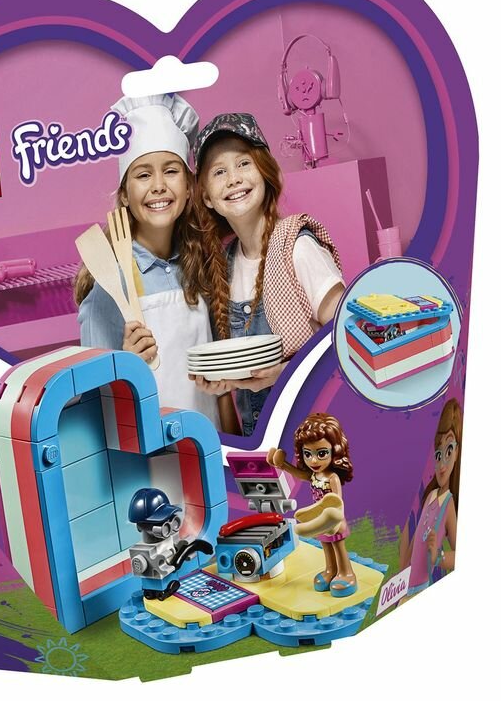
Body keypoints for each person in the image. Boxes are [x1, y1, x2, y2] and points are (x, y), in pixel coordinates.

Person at [75, 94, 236, 430]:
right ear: (124, 193)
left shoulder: (201, 264)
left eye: (171, 171)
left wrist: (235, 449)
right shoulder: (109, 284)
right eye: (143, 175)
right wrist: (125, 367)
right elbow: (94, 409)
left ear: (189, 186)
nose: (159, 186)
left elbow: (220, 390)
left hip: (208, 442)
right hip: (150, 455)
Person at [183, 113, 344, 435]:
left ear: (265, 172)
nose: (233, 179)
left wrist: (283, 373)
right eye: (219, 172)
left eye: (243, 163)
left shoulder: (297, 247)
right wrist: (223, 381)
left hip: (315, 439)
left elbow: (350, 340)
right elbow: (241, 372)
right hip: (261, 443)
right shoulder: (224, 268)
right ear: (207, 197)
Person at [267, 413, 357, 597]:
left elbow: (337, 501)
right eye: (308, 454)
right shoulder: (315, 475)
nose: (314, 461)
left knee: (338, 546)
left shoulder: (332, 477)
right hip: (318, 519)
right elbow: (300, 475)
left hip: (333, 519)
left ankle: (346, 573)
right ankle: (331, 570)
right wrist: (283, 465)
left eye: (321, 453)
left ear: (335, 451)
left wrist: (334, 519)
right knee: (325, 545)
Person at [399, 398, 461, 598]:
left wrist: (438, 557)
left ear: (458, 451)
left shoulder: (448, 504)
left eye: (449, 450)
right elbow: (416, 540)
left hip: (421, 589)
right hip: (405, 587)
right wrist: (402, 571)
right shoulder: (431, 495)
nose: (441, 464)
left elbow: (459, 554)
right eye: (438, 454)